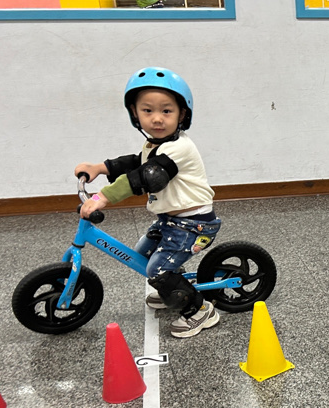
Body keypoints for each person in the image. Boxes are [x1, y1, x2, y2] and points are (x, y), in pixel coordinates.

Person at [77, 66, 221, 338]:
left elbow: (145, 176)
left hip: (193, 224)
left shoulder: (178, 148)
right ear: (135, 114)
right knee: (142, 254)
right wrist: (100, 168)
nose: (157, 118)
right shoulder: (156, 145)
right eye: (147, 110)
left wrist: (102, 197)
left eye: (166, 111)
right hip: (171, 220)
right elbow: (134, 162)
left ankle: (200, 311)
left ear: (182, 114)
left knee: (157, 268)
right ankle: (171, 286)